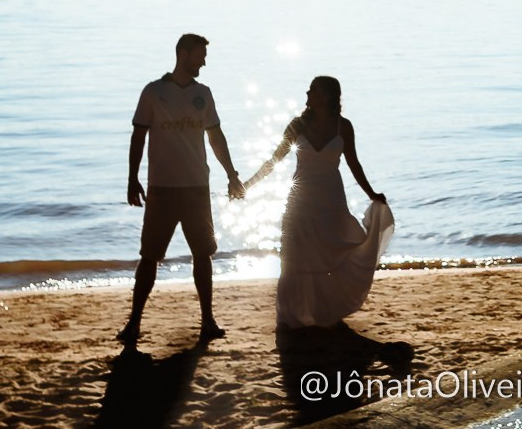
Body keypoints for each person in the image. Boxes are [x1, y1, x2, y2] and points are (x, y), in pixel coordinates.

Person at [121, 32, 245, 344]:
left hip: (196, 189)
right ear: (183, 54)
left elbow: (216, 138)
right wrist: (132, 178)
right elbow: (139, 136)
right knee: (149, 257)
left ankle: (207, 321)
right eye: (200, 54)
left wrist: (231, 175)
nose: (204, 60)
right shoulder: (153, 91)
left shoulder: (203, 93)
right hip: (161, 188)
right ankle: (134, 323)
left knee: (203, 254)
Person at [243, 75, 394, 329]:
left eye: (312, 90)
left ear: (326, 96)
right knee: (293, 256)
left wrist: (372, 194)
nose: (307, 93)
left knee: (329, 255)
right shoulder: (297, 125)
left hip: (331, 201)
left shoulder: (343, 126)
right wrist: (247, 184)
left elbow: (353, 164)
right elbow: (273, 161)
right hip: (300, 201)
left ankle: (324, 310)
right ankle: (291, 314)